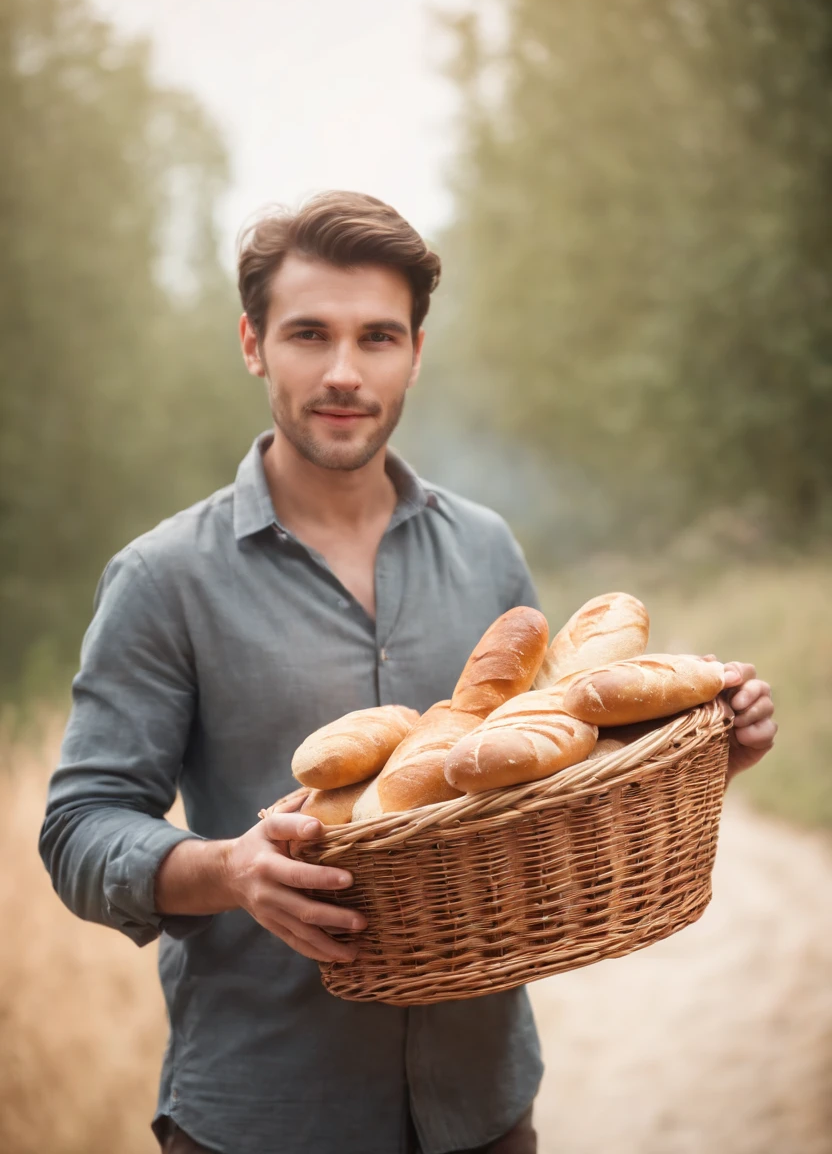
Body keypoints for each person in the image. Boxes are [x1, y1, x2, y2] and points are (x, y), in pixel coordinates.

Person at [39, 191, 777, 1154]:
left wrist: (696, 754)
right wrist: (230, 870)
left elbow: (554, 757)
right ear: (254, 344)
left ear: (416, 353)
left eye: (378, 337)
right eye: (309, 334)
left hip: (484, 1107)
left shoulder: (485, 549)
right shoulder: (162, 579)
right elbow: (78, 832)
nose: (344, 372)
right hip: (266, 1116)